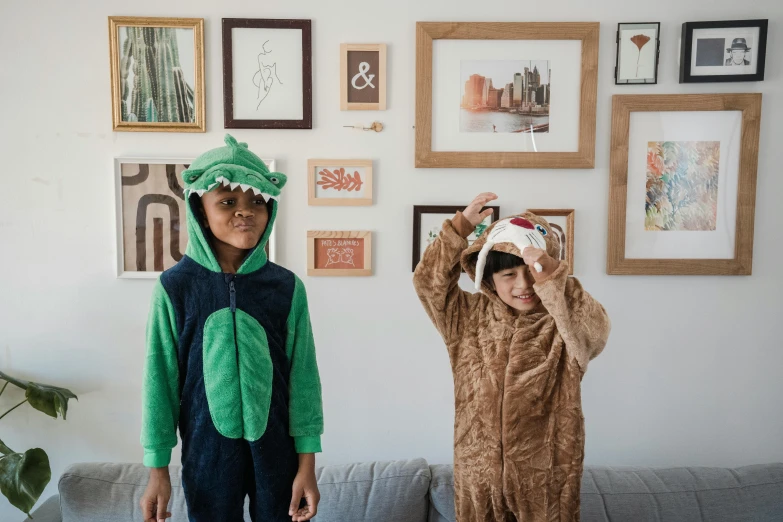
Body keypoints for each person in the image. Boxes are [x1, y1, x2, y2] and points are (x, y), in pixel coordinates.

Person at [140, 134, 324, 522]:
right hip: (206, 453)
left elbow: (304, 378)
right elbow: (160, 380)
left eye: (257, 201)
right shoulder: (175, 287)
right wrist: (158, 468)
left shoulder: (287, 288)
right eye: (228, 201)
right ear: (200, 210)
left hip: (278, 453)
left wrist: (307, 464)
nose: (246, 211)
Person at [413, 193, 611, 521]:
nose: (523, 285)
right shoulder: (465, 317)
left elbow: (597, 331)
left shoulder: (564, 320)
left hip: (546, 481)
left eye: (531, 272)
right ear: (488, 277)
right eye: (509, 275)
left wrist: (555, 279)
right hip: (477, 476)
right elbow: (428, 284)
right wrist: (459, 228)